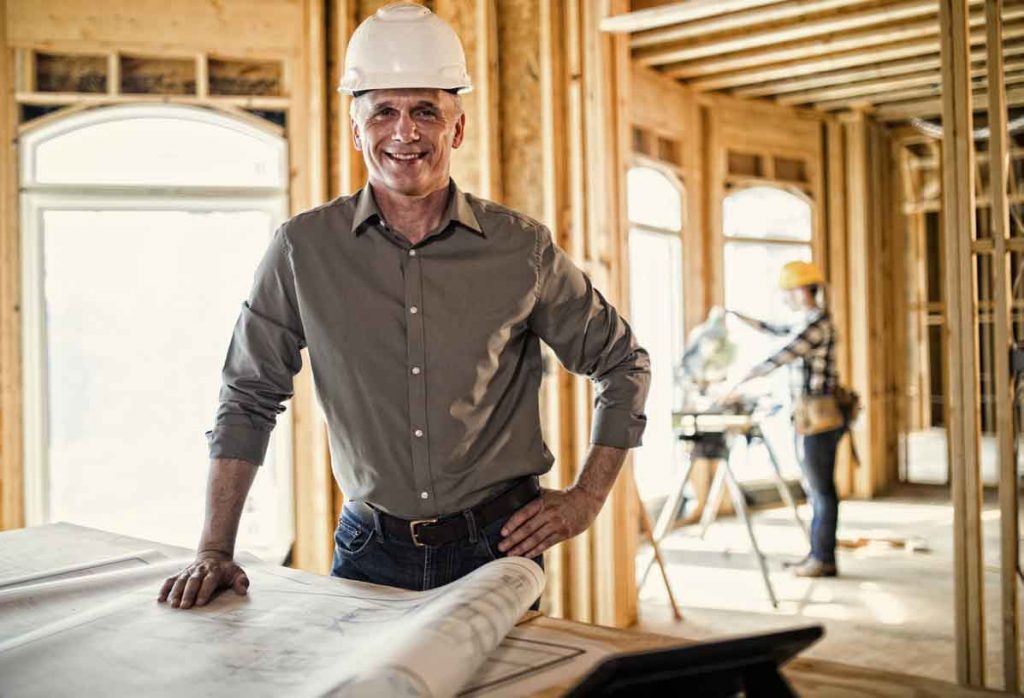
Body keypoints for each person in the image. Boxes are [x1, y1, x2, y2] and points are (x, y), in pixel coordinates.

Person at [158, 2, 650, 610]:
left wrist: (585, 500)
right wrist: (214, 548)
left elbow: (623, 363)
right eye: (384, 111)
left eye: (425, 111)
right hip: (369, 551)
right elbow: (247, 396)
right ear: (356, 126)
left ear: (457, 128)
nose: (405, 132)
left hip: (498, 549)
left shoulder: (521, 249)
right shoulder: (302, 250)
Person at [726, 261, 844, 578]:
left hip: (818, 418)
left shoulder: (816, 325)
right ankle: (818, 554)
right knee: (816, 488)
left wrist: (738, 382)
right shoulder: (809, 321)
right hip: (809, 416)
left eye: (788, 292)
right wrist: (738, 317)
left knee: (821, 491)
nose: (785, 298)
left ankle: (823, 559)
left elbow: (782, 355)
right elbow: (777, 330)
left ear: (801, 291)